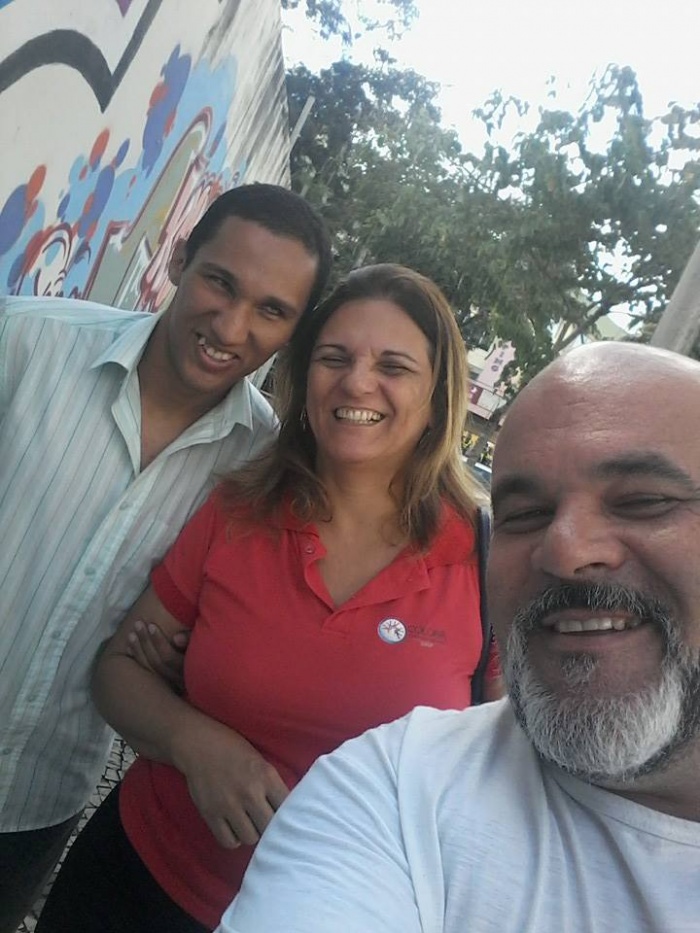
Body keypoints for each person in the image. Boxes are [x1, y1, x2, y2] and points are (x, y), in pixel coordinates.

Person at [35, 263, 501, 933]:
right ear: (304, 377)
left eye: (393, 366)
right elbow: (118, 670)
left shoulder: (490, 562)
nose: (357, 382)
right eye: (334, 357)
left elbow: (507, 781)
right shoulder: (240, 508)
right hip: (136, 882)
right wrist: (193, 739)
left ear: (437, 396)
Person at [216, 340, 700, 933]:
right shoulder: (397, 787)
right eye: (525, 514)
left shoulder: (460, 552)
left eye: (645, 501)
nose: (566, 550)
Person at [0, 182, 332, 933]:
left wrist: (195, 663)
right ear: (180, 259)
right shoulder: (26, 342)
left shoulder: (259, 473)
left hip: (35, 803)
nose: (232, 326)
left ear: (293, 331)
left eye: (271, 310)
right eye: (221, 281)